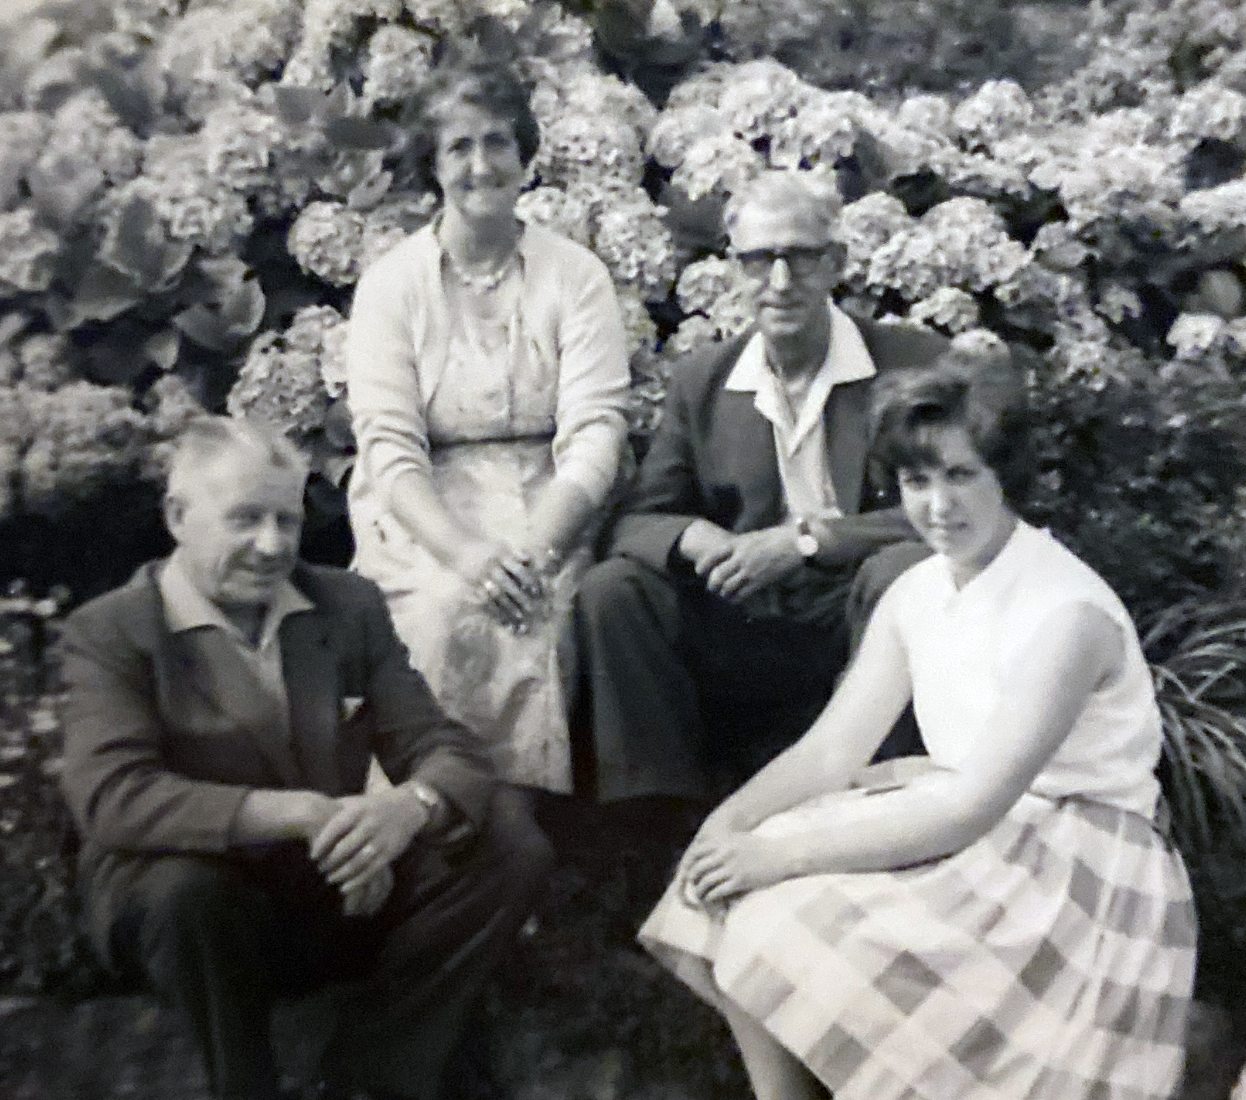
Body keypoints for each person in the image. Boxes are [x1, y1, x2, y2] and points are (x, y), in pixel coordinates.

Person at [637, 351, 1197, 1100]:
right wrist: (729, 826)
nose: (938, 506)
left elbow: (971, 806)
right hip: (977, 825)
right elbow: (833, 749)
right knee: (714, 895)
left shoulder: (1068, 614)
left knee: (778, 909)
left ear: (1006, 476)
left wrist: (780, 857)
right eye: (916, 481)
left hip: (1077, 865)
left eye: (961, 475)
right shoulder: (917, 590)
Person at [59, 417, 554, 1100]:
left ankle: (366, 1076)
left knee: (508, 839)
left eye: (286, 521)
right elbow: (115, 798)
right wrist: (301, 814)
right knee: (189, 893)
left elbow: (443, 748)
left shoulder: (345, 605)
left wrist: (406, 809)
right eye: (245, 519)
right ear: (177, 516)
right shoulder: (112, 631)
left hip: (330, 886)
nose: (271, 546)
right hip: (190, 915)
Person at [577, 170, 948, 804]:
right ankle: (655, 819)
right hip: (744, 618)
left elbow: (955, 510)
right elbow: (636, 521)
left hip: (858, 609)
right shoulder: (704, 380)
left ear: (836, 263)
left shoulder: (911, 364)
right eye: (758, 260)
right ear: (735, 269)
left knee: (904, 571)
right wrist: (695, 537)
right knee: (614, 590)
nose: (779, 281)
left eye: (800, 257)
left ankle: (883, 804)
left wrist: (807, 541)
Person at [345, 60, 631, 795]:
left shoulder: (575, 276)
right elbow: (387, 447)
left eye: (498, 141)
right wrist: (467, 554)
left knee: (539, 611)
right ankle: (430, 808)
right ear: (433, 166)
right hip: (424, 509)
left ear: (524, 151)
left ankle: (523, 819)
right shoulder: (391, 286)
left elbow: (596, 431)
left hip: (550, 497)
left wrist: (538, 550)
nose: (482, 165)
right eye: (459, 147)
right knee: (443, 611)